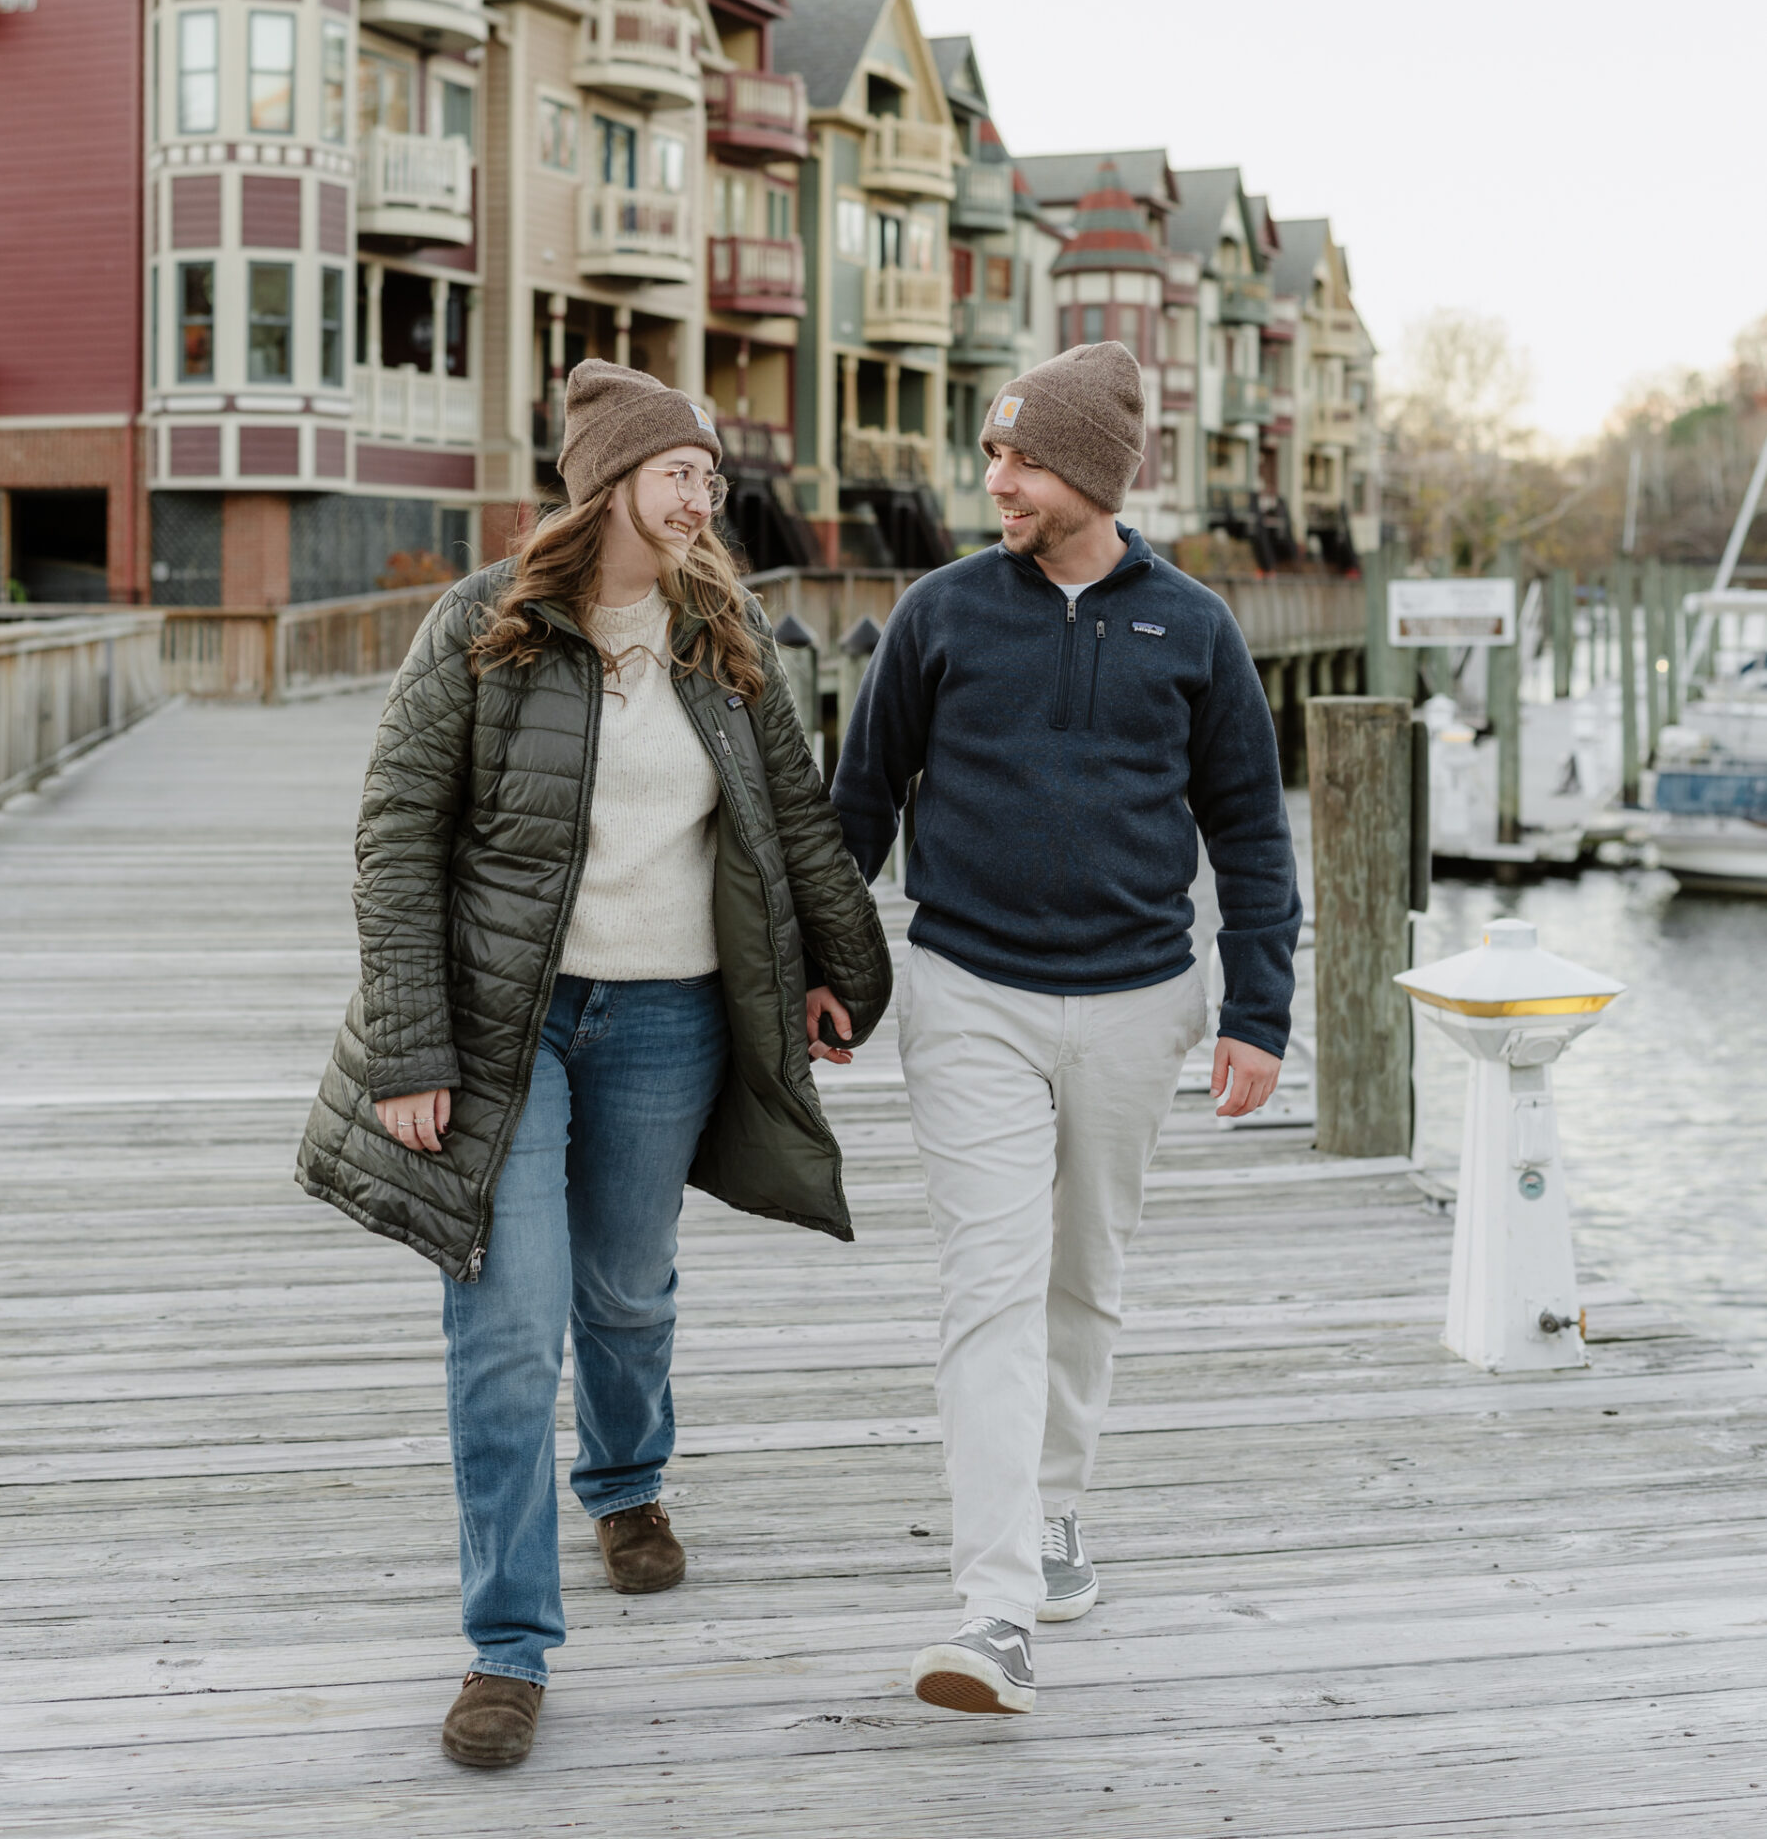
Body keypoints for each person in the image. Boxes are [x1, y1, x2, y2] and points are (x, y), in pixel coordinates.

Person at [297, 360, 892, 1771]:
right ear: (610, 482)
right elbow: (393, 840)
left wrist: (841, 971)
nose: (706, 496)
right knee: (505, 1328)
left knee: (626, 1291)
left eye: (709, 475)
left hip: (670, 1018)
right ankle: (507, 1646)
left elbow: (795, 822)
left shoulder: (723, 635)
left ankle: (625, 1485)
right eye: (680, 471)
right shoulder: (482, 627)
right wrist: (409, 1043)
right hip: (508, 1028)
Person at [830, 340, 1301, 1717]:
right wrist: (827, 974)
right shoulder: (936, 614)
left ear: (1093, 472)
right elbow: (853, 814)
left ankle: (1053, 1510)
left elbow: (1249, 840)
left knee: (1080, 1280)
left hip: (1137, 1002)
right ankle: (993, 1609)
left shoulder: (1195, 629)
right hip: (969, 990)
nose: (996, 481)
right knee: (987, 1284)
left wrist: (1256, 1011)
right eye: (991, 454)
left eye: (1021, 458)